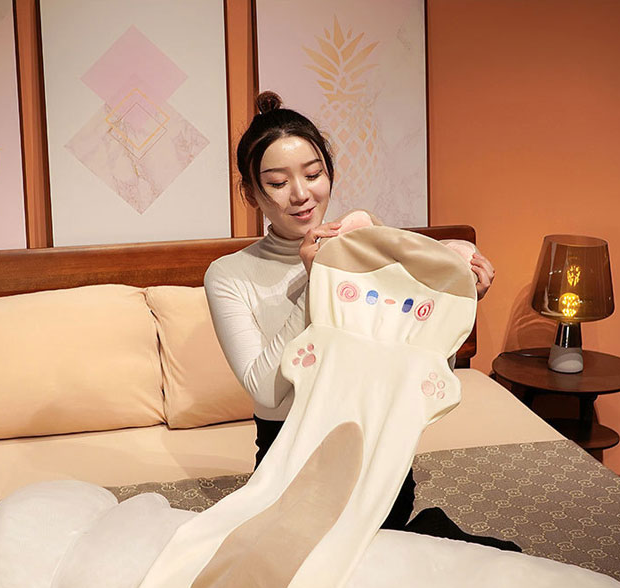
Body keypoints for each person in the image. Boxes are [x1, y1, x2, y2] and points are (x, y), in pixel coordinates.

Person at [205, 92, 516, 549]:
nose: (301, 194)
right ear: (251, 193)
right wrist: (317, 281)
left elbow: (414, 367)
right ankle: (426, 536)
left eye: (313, 174)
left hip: (378, 457)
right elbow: (266, 391)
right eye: (277, 182)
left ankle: (420, 533)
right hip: (288, 469)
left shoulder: (369, 245)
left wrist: (458, 303)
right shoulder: (229, 274)